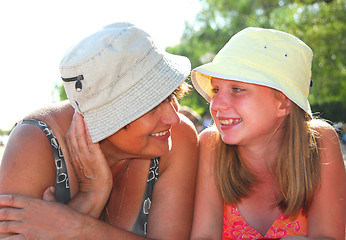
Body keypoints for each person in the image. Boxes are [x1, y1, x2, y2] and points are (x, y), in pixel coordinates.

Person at [0, 22, 198, 239]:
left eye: (171, 95)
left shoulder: (177, 138)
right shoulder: (35, 144)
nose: (173, 118)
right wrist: (91, 196)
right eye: (150, 106)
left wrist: (81, 228)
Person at [189, 27, 345, 239]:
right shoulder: (211, 144)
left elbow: (328, 235)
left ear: (283, 103)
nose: (215, 104)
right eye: (216, 90)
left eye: (237, 89)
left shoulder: (319, 143)